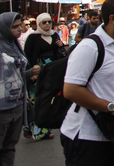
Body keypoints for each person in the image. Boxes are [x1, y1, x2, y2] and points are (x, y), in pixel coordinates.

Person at [60, 0, 114, 166]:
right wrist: (111, 106)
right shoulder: (90, 47)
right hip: (86, 135)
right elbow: (71, 90)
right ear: (113, 19)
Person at [0, 13, 40, 166]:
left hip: (16, 105)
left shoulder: (14, 44)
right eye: (15, 26)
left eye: (20, 25)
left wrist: (29, 73)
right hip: (2, 109)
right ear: (4, 28)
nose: (20, 29)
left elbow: (14, 74)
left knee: (9, 147)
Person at [23, 12, 66, 141]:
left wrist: (61, 46)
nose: (47, 24)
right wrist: (30, 72)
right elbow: (27, 56)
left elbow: (60, 54)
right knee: (35, 100)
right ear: (38, 24)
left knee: (48, 100)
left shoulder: (55, 35)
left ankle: (43, 131)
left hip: (52, 71)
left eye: (49, 22)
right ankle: (30, 128)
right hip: (37, 72)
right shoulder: (33, 37)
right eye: (44, 22)